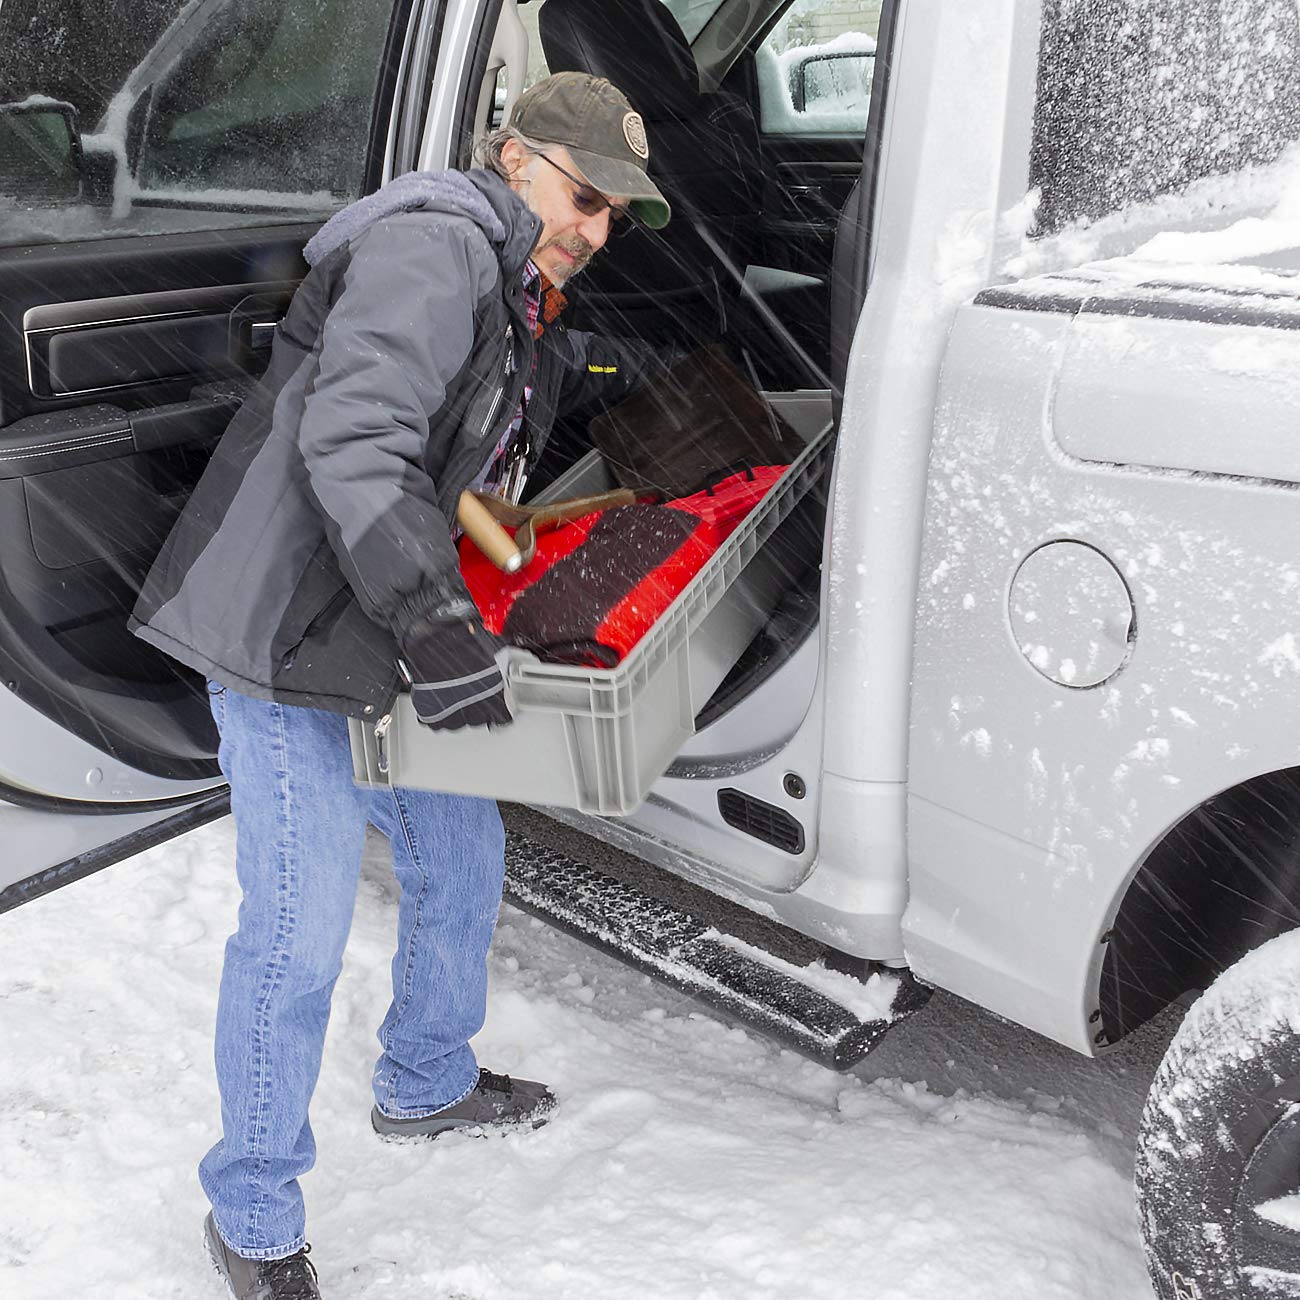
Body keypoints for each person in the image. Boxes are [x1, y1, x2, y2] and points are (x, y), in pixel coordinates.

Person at [130, 71, 671, 1300]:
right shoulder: (437, 246)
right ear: (515, 159)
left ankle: (425, 1079)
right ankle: (252, 1213)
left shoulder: (509, 279)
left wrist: (488, 582)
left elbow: (455, 464)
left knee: (458, 849)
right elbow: (358, 439)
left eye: (614, 215)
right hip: (281, 638)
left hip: (360, 622)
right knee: (298, 930)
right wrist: (431, 619)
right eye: (584, 197)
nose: (595, 230)